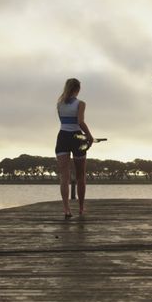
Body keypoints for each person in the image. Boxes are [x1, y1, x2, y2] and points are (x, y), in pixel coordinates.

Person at [55, 78, 94, 219]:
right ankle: (82, 208)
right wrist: (89, 136)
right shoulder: (81, 104)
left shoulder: (59, 104)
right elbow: (80, 122)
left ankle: (66, 209)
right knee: (80, 176)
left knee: (64, 176)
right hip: (77, 137)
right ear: (78, 89)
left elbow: (63, 122)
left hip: (62, 137)